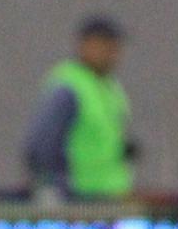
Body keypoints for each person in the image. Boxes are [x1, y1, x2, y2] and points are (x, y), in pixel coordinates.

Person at [24, 15, 135, 202]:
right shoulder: (70, 87)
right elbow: (42, 144)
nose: (113, 54)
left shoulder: (109, 87)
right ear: (86, 45)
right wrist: (56, 187)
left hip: (110, 196)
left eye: (116, 48)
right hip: (78, 198)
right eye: (106, 46)